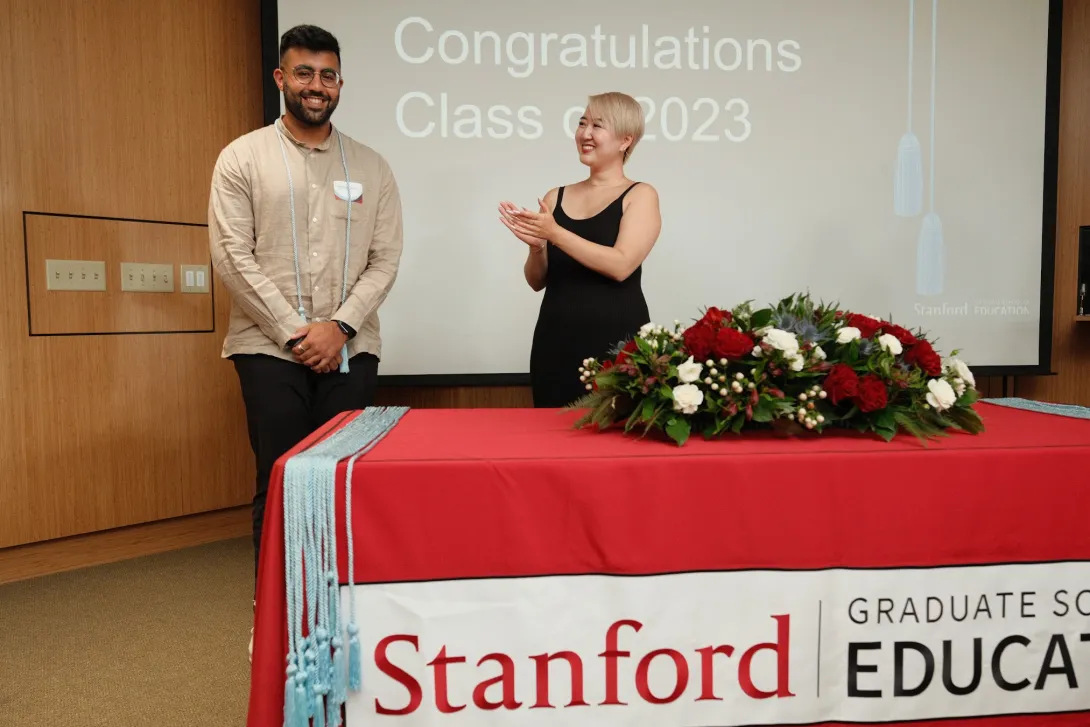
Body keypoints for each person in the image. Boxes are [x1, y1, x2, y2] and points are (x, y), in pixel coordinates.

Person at [208, 24, 403, 660]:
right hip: (268, 350)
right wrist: (299, 334)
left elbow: (384, 259)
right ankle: (278, 617)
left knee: (341, 483)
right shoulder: (243, 158)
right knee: (283, 479)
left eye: (327, 75)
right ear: (281, 78)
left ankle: (337, 613)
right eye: (304, 73)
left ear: (339, 83)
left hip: (352, 348)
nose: (316, 86)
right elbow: (232, 255)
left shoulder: (372, 166)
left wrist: (338, 328)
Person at [499, 92, 661, 408]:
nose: (585, 133)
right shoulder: (555, 196)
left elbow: (621, 265)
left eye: (597, 126)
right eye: (582, 123)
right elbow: (536, 281)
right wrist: (537, 248)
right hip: (555, 341)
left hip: (615, 343)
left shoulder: (640, 195)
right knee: (551, 432)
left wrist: (555, 234)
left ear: (626, 140)